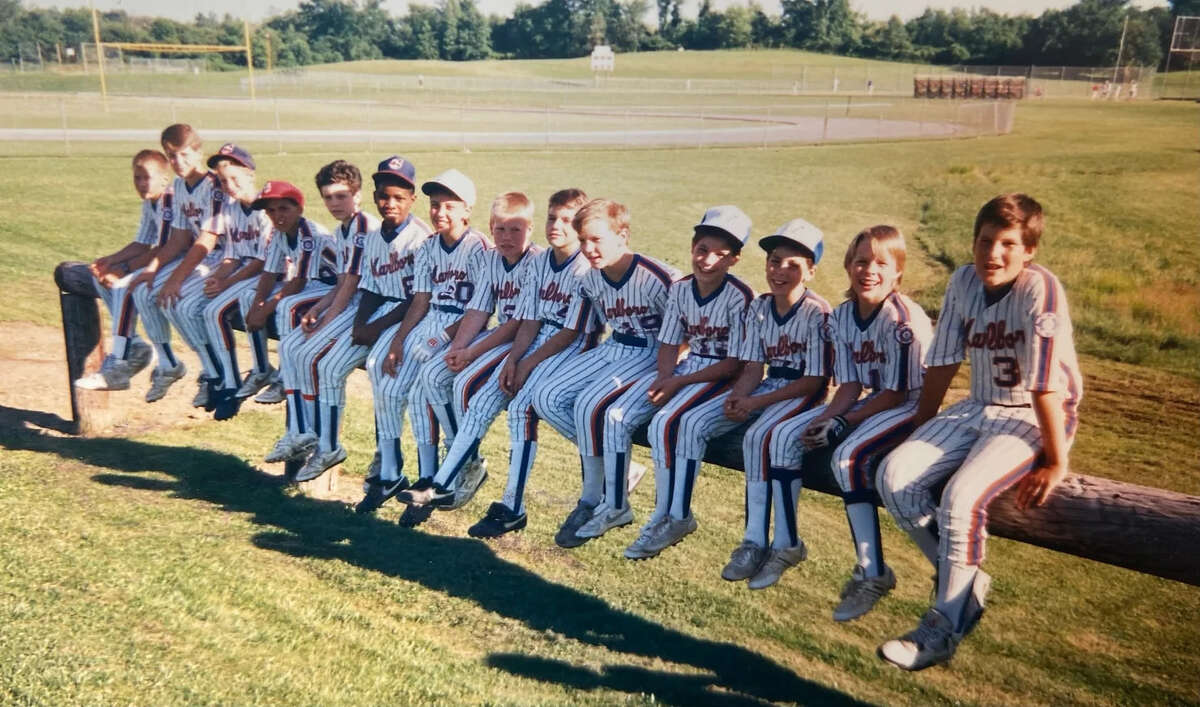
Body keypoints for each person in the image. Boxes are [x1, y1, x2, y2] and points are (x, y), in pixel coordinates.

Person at [876, 193, 1082, 671]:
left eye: (1008, 244)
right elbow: (945, 358)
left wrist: (1055, 460)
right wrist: (922, 422)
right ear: (973, 242)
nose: (994, 254)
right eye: (986, 241)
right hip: (979, 405)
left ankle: (943, 626)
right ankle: (967, 584)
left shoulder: (1040, 289)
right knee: (893, 476)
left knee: (963, 497)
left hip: (1035, 412)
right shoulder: (964, 281)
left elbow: (1046, 385)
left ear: (1029, 249)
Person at [766, 225, 932, 620]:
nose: (868, 270)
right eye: (861, 261)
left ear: (897, 273)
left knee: (848, 459)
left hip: (912, 404)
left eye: (880, 263)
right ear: (847, 266)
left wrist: (842, 423)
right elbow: (850, 385)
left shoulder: (901, 318)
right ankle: (786, 545)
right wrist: (825, 417)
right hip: (878, 401)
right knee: (794, 438)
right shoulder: (841, 316)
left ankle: (873, 573)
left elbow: (896, 393)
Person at [530, 198, 681, 548]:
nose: (588, 248)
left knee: (591, 406)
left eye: (597, 239)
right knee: (546, 397)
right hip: (616, 345)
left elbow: (686, 334)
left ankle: (601, 501)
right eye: (583, 240)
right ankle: (621, 470)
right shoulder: (589, 277)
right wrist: (529, 362)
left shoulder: (659, 277)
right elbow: (574, 328)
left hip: (654, 349)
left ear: (622, 235)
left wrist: (668, 375)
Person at [459, 188, 598, 538]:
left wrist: (525, 362)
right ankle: (511, 504)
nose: (556, 225)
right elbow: (530, 319)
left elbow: (569, 332)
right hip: (538, 343)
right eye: (553, 217)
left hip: (576, 349)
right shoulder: (541, 262)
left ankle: (514, 504)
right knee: (504, 398)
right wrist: (514, 360)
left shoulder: (586, 267)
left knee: (529, 403)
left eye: (567, 220)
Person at [620, 206, 755, 560]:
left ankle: (674, 515)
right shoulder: (681, 289)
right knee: (636, 411)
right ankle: (664, 513)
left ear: (735, 259)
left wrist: (679, 382)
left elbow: (735, 362)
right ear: (692, 247)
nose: (707, 260)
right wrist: (665, 377)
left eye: (719, 254)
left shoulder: (740, 296)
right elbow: (669, 342)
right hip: (690, 369)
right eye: (701, 249)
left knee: (670, 422)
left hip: (726, 377)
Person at [400, 192, 542, 510]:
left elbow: (520, 322)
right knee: (434, 374)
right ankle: (464, 461)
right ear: (490, 227)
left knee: (470, 389)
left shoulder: (537, 261)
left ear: (530, 229)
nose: (506, 237)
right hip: (503, 337)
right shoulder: (493, 258)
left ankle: (457, 468)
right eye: (500, 229)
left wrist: (472, 352)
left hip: (532, 340)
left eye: (515, 229)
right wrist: (460, 347)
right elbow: (478, 310)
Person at [366, 169, 491, 527]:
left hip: (464, 328)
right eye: (435, 206)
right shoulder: (428, 246)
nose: (440, 213)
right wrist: (399, 340)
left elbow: (480, 310)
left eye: (449, 206)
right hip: (429, 321)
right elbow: (420, 301)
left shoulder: (479, 247)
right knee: (389, 384)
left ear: (467, 209)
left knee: (423, 393)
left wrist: (441, 338)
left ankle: (462, 464)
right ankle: (421, 475)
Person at [713, 219, 833, 589]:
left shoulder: (818, 312)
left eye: (793, 264)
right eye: (774, 260)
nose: (780, 270)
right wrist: (739, 396)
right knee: (749, 435)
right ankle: (753, 541)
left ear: (811, 270)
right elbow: (753, 366)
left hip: (805, 393)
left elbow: (815, 379)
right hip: (771, 386)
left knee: (766, 437)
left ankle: (784, 543)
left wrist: (756, 400)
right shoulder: (761, 307)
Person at [129, 123, 224, 404]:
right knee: (144, 291)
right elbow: (180, 238)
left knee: (177, 301)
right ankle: (168, 363)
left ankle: (214, 372)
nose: (177, 162)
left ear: (198, 152)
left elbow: (207, 238)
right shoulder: (181, 186)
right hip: (198, 254)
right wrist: (151, 269)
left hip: (225, 256)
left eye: (183, 155)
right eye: (171, 156)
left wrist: (176, 278)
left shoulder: (215, 184)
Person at [65, 149, 172, 391]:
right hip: (165, 261)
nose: (142, 183)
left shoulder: (169, 200)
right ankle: (134, 343)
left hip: (184, 264)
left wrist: (124, 269)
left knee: (124, 285)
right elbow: (143, 243)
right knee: (99, 279)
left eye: (147, 177)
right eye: (137, 178)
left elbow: (166, 248)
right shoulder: (150, 202)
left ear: (164, 179)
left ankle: (119, 364)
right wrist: (109, 262)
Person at [236, 180, 336, 418]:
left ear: (299, 209)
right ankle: (262, 369)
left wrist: (266, 308)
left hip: (332, 285)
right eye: (271, 210)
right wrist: (258, 303)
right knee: (248, 296)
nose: (276, 215)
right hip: (313, 283)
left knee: (287, 307)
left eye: (283, 209)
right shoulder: (280, 233)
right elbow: (270, 273)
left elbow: (299, 281)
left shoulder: (310, 233)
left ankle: (284, 378)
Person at [194, 143, 273, 420]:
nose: (229, 185)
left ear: (251, 174)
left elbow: (263, 261)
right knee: (198, 305)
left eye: (235, 178)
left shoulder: (267, 207)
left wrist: (226, 284)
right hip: (249, 273)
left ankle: (233, 383)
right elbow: (232, 256)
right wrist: (218, 278)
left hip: (273, 277)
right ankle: (218, 377)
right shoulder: (232, 208)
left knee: (214, 311)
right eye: (223, 180)